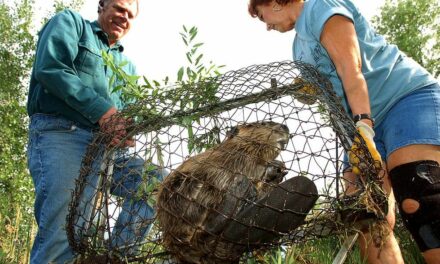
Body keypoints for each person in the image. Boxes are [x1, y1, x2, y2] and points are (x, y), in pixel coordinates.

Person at [247, 0, 440, 263]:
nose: (266, 25)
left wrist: (364, 127)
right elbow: (328, 84)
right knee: (366, 215)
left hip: (402, 99)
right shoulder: (297, 46)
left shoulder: (320, 7)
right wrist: (306, 89)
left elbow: (350, 68)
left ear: (274, 3)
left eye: (261, 15)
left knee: (419, 197)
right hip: (355, 126)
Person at [27, 0, 166, 263]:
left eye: (130, 15)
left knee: (156, 182)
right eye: (119, 8)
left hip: (108, 152)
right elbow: (51, 68)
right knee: (64, 233)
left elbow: (125, 114)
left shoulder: (128, 67)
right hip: (62, 135)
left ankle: (115, 257)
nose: (124, 17)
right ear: (102, 6)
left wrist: (126, 130)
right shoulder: (71, 24)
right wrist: (103, 111)